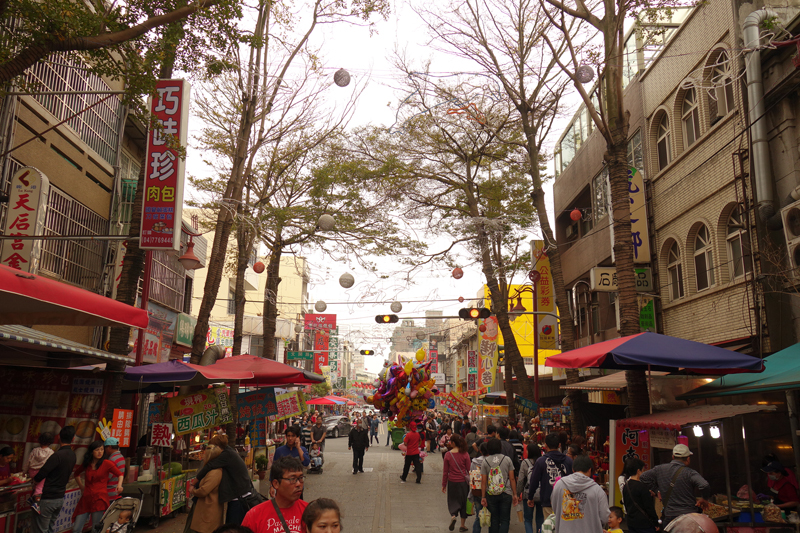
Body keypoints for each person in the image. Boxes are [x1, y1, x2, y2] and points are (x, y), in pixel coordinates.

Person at [640, 444, 710, 527]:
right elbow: (704, 485)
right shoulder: (690, 473)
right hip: (688, 517)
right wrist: (704, 499)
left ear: (673, 457)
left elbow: (643, 477)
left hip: (669, 518)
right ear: (688, 459)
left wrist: (656, 491)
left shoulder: (659, 469)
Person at [193, 434, 254, 526]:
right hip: (239, 494)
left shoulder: (226, 454)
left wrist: (193, 483)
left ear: (217, 447)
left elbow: (209, 466)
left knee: (232, 527)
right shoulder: (228, 451)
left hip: (240, 497)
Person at [242, 457, 307, 533]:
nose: (298, 484)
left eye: (301, 478)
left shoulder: (309, 512)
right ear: (276, 484)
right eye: (292, 479)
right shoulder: (254, 516)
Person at [72, 440, 123, 533]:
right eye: (97, 450)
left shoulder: (107, 463)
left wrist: (119, 485)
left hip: (99, 499)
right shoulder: (87, 463)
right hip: (86, 499)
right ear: (91, 451)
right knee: (76, 528)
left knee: (95, 528)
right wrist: (81, 486)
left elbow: (120, 474)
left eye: (102, 450)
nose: (100, 452)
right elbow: (76, 474)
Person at [551, 454, 609, 533]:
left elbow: (555, 508)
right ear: (589, 470)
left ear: (573, 469)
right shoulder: (597, 490)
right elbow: (605, 517)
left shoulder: (559, 485)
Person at [33, 426, 76, 533]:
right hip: (60, 497)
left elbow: (42, 473)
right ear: (73, 439)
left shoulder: (57, 455)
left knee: (41, 529)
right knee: (50, 528)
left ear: (58, 437)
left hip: (48, 498)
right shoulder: (73, 455)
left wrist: (34, 480)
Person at [526, 432, 573, 517]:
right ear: (559, 445)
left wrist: (530, 496)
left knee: (550, 527)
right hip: (566, 500)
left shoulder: (541, 461)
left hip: (548, 500)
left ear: (545, 445)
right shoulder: (568, 461)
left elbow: (534, 481)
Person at [480, 438, 518, 533]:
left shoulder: (485, 461)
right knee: (505, 520)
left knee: (494, 520)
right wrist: (515, 494)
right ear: (500, 447)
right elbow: (512, 478)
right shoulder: (507, 459)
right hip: (506, 493)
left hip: (491, 494)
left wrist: (483, 496)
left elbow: (483, 481)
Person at [189, 443, 224, 533]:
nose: (203, 457)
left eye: (205, 454)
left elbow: (204, 490)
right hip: (207, 508)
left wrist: (194, 491)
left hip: (209, 509)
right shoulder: (211, 470)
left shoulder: (215, 472)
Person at [443, 434, 471, 532]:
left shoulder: (448, 455)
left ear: (454, 443)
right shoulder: (465, 454)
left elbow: (445, 471)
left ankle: (453, 516)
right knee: (463, 502)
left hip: (452, 482)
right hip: (463, 483)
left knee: (452, 501)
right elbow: (469, 469)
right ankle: (462, 525)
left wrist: (443, 485)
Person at [622, 458, 659, 533]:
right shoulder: (642, 486)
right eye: (643, 470)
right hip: (644, 524)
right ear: (638, 471)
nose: (643, 472)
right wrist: (656, 522)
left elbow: (626, 503)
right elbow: (649, 507)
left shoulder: (626, 486)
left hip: (631, 522)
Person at [518, 443, 543, 533]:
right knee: (540, 519)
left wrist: (518, 493)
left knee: (528, 519)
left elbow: (521, 480)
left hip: (528, 493)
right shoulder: (542, 461)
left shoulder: (525, 463)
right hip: (541, 493)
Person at [470, 443, 490, 533]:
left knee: (478, 516)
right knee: (492, 516)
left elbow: (471, 477)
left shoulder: (474, 462)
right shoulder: (491, 462)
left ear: (480, 451)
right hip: (489, 491)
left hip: (477, 491)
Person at [103, 437, 125, 504]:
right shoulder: (121, 456)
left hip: (110, 493)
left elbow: (108, 477)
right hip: (116, 491)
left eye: (105, 448)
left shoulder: (112, 460)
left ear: (109, 447)